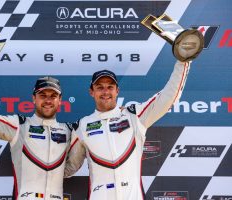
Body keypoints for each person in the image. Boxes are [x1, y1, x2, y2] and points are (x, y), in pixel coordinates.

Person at [0, 65, 80, 200]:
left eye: (53, 96)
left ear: (60, 100)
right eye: (42, 95)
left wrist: (55, 173)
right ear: (34, 98)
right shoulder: (19, 124)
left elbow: (72, 166)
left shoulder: (69, 130)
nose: (48, 100)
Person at [65, 60, 191, 200]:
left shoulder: (134, 116)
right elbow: (70, 167)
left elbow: (168, 97)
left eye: (110, 87)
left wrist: (183, 61)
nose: (105, 92)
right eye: (100, 87)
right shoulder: (82, 126)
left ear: (117, 91)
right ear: (91, 92)